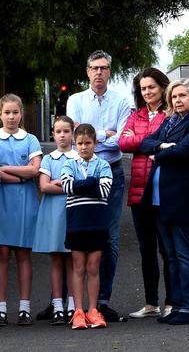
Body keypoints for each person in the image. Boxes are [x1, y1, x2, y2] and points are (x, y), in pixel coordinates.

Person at [140, 78, 189, 325]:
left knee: (184, 255)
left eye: (183, 95)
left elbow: (183, 151)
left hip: (185, 200)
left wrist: (159, 153)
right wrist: (162, 145)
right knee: (170, 256)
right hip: (161, 201)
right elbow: (145, 144)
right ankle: (176, 307)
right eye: (174, 96)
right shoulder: (169, 123)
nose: (178, 100)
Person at [66, 50, 131, 321]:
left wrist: (94, 135)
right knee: (77, 240)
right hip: (80, 173)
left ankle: (102, 302)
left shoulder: (121, 101)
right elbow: (75, 136)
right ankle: (73, 305)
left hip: (112, 175)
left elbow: (124, 138)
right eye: (95, 68)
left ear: (110, 71)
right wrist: (107, 133)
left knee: (110, 240)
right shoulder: (75, 100)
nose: (99, 73)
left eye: (104, 68)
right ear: (87, 71)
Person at [119, 67, 172, 319]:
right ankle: (151, 303)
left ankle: (171, 302)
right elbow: (122, 142)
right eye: (143, 88)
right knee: (146, 250)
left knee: (167, 248)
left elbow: (169, 141)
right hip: (140, 192)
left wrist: (140, 140)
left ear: (162, 87)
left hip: (164, 190)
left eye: (151, 86)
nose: (147, 91)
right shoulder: (136, 115)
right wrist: (153, 142)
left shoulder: (170, 113)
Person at [0, 93, 42, 326]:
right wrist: (20, 173)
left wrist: (6, 169)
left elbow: (35, 171)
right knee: (2, 254)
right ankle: (0, 308)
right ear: (0, 114)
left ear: (21, 114)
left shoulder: (31, 140)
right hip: (0, 202)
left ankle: (24, 308)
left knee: (23, 254)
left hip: (26, 203)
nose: (11, 117)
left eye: (15, 112)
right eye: (7, 112)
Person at [60, 123, 113, 329]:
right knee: (78, 266)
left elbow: (105, 189)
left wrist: (82, 185)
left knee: (93, 266)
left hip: (97, 222)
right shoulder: (69, 164)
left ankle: (93, 309)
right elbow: (67, 186)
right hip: (77, 222)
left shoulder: (104, 165)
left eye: (88, 143)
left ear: (95, 143)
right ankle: (78, 311)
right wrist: (92, 182)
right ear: (75, 143)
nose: (83, 147)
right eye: (80, 143)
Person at [32, 116, 77, 325]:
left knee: (72, 261)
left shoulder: (79, 157)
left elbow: (82, 185)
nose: (62, 135)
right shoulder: (49, 159)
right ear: (53, 134)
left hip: (73, 213)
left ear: (72, 133)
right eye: (58, 132)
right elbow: (44, 186)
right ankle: (57, 305)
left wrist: (58, 183)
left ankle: (72, 305)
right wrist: (67, 185)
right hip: (53, 214)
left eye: (66, 131)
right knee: (57, 260)